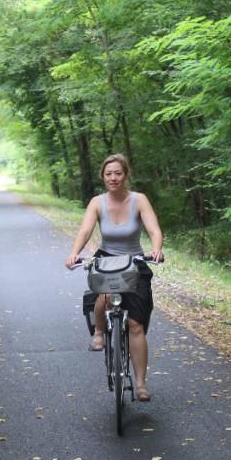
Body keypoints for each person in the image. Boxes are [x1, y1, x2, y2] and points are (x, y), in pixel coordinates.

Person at [64, 153, 163, 402]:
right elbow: (86, 229)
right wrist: (74, 253)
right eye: (108, 174)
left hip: (135, 261)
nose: (113, 178)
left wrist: (156, 248)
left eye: (118, 173)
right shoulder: (97, 202)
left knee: (136, 325)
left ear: (125, 175)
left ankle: (140, 383)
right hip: (106, 259)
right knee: (105, 296)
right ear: (103, 177)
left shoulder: (139, 200)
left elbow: (153, 229)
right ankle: (99, 331)